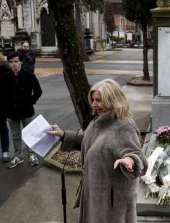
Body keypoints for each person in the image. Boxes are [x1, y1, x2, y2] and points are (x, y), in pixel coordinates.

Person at [46, 78, 147, 223]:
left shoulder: (123, 126)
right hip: (94, 195)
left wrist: (129, 160)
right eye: (93, 100)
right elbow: (91, 142)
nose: (94, 104)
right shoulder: (98, 122)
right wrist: (63, 135)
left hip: (111, 205)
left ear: (112, 99)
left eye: (99, 100)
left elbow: (138, 156)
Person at [0, 51, 42, 168]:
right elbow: (1, 94)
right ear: (9, 63)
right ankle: (18, 156)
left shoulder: (28, 75)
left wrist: (31, 101)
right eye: (11, 62)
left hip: (26, 110)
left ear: (21, 62)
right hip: (12, 111)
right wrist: (6, 107)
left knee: (29, 133)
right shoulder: (5, 77)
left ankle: (31, 155)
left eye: (16, 61)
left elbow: (38, 91)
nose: (14, 64)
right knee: (15, 135)